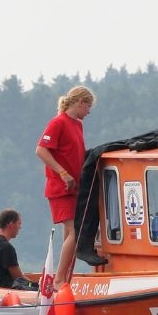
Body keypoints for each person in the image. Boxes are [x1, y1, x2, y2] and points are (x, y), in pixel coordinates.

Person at [35, 85, 94, 289]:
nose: (89, 111)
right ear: (80, 102)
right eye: (88, 106)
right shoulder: (58, 122)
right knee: (73, 231)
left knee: (70, 233)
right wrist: (62, 172)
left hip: (74, 187)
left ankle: (64, 275)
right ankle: (59, 279)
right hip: (60, 187)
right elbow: (41, 150)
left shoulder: (77, 124)